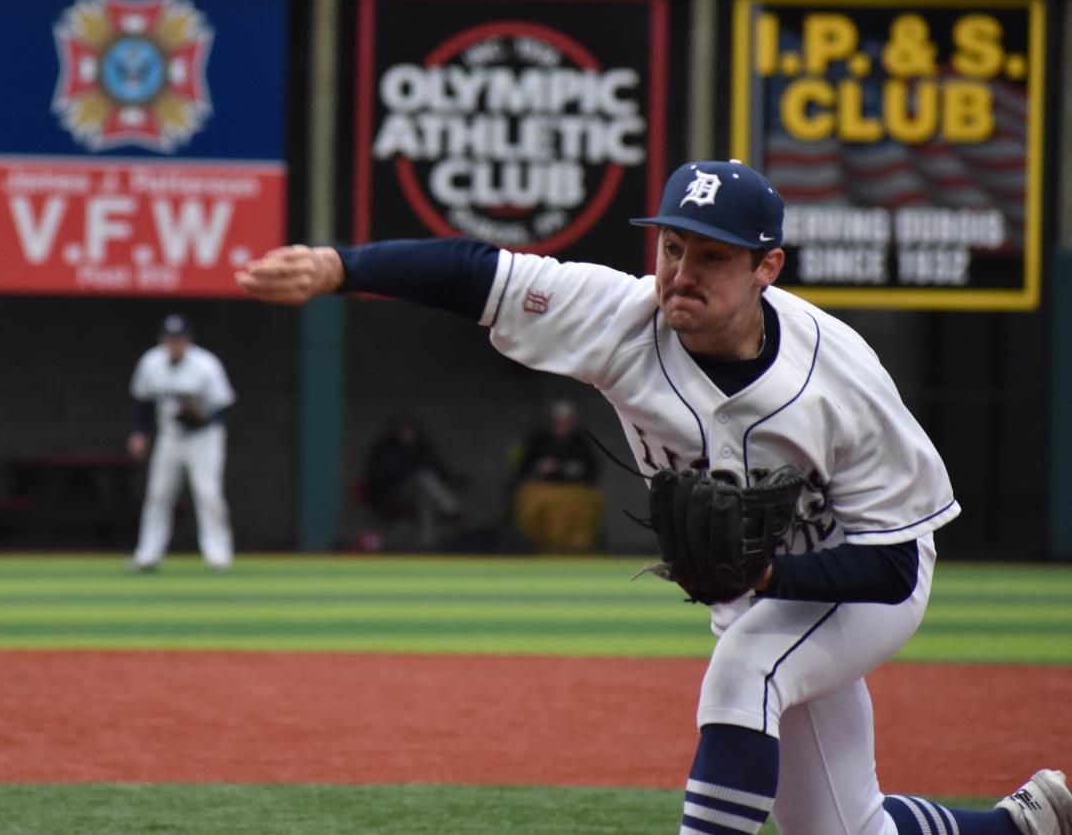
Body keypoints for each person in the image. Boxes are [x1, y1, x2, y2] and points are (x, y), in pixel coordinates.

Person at [236, 159, 1070, 835]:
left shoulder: (839, 377)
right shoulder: (621, 315)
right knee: (842, 830)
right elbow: (474, 271)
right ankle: (1027, 824)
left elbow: (892, 568)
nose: (681, 272)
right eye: (671, 246)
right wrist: (338, 266)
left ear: (766, 268)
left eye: (710, 255)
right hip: (765, 588)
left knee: (745, 668)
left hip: (860, 578)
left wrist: (769, 579)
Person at [126, 314, 236, 573]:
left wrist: (202, 418)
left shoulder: (206, 365)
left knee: (208, 494)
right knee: (158, 494)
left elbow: (223, 405)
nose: (174, 343)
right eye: (170, 338)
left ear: (188, 340)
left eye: (179, 339)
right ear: (162, 340)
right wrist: (140, 433)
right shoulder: (151, 362)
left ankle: (218, 554)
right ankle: (148, 554)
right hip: (170, 436)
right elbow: (144, 402)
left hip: (204, 438)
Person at [511, 399, 603, 553]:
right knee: (529, 500)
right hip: (542, 488)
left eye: (567, 422)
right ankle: (536, 548)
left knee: (587, 503)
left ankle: (576, 551)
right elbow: (524, 466)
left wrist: (567, 469)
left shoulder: (579, 441)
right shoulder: (540, 439)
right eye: (560, 422)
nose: (563, 426)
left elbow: (592, 468)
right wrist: (541, 467)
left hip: (573, 490)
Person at [361, 412, 463, 550]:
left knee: (425, 493)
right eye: (403, 430)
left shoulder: (422, 448)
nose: (407, 433)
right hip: (393, 491)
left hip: (420, 491)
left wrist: (457, 480)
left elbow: (439, 469)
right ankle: (450, 506)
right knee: (423, 477)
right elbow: (380, 476)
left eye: (410, 430)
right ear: (395, 432)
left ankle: (427, 541)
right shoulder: (385, 448)